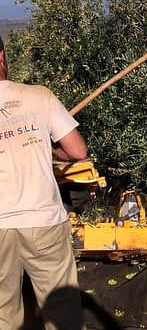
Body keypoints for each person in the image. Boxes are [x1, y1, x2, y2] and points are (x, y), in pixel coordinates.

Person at [0, 35, 87, 330]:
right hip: (43, 220)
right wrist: (46, 146)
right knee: (62, 314)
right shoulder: (39, 95)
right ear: (2, 58)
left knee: (2, 314)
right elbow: (77, 152)